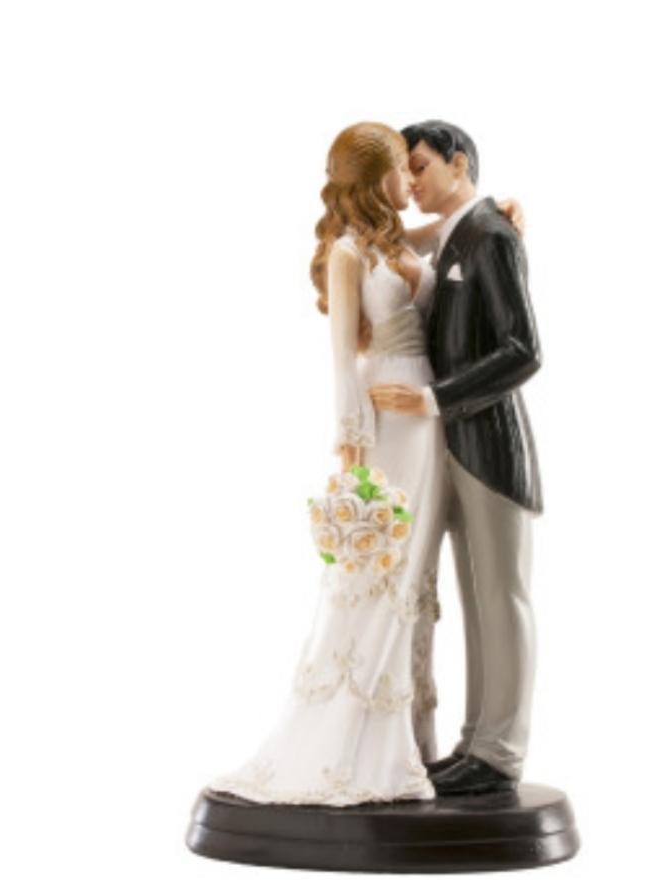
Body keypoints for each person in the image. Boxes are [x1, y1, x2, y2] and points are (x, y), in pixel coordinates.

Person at [208, 122, 449, 805]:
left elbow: (448, 232)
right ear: (376, 178)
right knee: (376, 573)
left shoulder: (400, 242)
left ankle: (411, 735)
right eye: (401, 169)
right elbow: (342, 358)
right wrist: (352, 451)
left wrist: (506, 209)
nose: (410, 181)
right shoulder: (349, 253)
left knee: (415, 577)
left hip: (428, 417)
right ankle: (350, 741)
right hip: (384, 418)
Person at [370, 120, 543, 796]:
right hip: (454, 447)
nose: (410, 182)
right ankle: (477, 743)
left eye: (419, 167)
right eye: (403, 171)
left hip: (490, 443)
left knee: (500, 596)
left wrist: (434, 399)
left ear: (459, 163)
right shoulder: (453, 233)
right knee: (477, 596)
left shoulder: (491, 234)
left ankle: (500, 753)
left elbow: (522, 351)